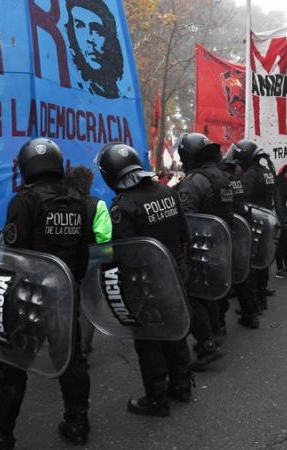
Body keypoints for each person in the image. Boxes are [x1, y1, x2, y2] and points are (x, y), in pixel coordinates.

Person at [0, 138, 92, 448]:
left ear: (26, 166)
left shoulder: (23, 202)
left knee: (12, 364)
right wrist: (71, 285)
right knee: (71, 360)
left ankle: (1, 433)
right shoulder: (78, 201)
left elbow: (13, 255)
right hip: (65, 294)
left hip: (29, 298)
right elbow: (83, 251)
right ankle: (78, 424)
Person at [96, 142, 192, 416]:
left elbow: (123, 254)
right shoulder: (167, 192)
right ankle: (182, 386)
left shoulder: (124, 206)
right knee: (176, 332)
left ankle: (156, 399)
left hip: (146, 285)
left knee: (149, 341)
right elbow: (184, 233)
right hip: (175, 275)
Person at [175, 132, 231, 370]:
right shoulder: (223, 176)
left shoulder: (195, 181)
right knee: (213, 290)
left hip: (201, 246)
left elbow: (186, 219)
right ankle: (217, 329)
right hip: (221, 244)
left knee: (194, 294)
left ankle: (207, 344)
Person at [63, 165, 112, 357]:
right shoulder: (97, 204)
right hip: (91, 262)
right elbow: (104, 238)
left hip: (65, 262)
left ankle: (64, 343)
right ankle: (82, 347)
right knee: (88, 305)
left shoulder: (60, 204)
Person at [221, 143, 260, 329]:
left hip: (230, 229)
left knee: (230, 272)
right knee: (245, 272)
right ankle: (250, 313)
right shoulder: (237, 178)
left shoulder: (224, 179)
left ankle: (221, 324)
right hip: (242, 227)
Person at [234, 140, 278, 308]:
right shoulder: (266, 171)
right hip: (267, 218)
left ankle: (256, 300)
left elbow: (245, 200)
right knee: (263, 257)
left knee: (252, 261)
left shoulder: (250, 175)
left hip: (254, 221)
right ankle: (262, 292)